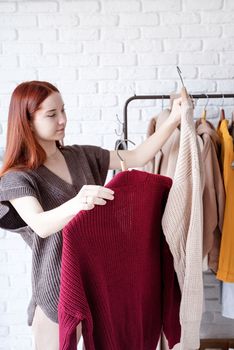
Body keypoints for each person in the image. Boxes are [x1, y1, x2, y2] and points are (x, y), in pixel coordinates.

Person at [0, 81, 182, 350]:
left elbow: (136, 156)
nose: (62, 120)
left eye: (63, 110)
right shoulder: (19, 176)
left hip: (98, 284)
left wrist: (174, 119)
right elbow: (41, 225)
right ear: (26, 121)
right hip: (56, 291)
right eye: (51, 114)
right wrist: (79, 201)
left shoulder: (81, 156)